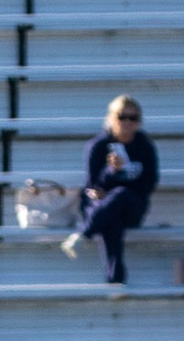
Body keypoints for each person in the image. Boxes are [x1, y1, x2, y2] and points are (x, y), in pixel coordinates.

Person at [59, 96, 158, 285]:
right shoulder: (98, 146)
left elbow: (149, 184)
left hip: (132, 207)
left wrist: (116, 191)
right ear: (111, 118)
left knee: (121, 196)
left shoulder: (144, 146)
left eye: (133, 118)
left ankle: (83, 234)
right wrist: (111, 171)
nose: (127, 122)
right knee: (112, 220)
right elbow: (92, 186)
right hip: (101, 207)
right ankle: (116, 283)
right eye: (122, 117)